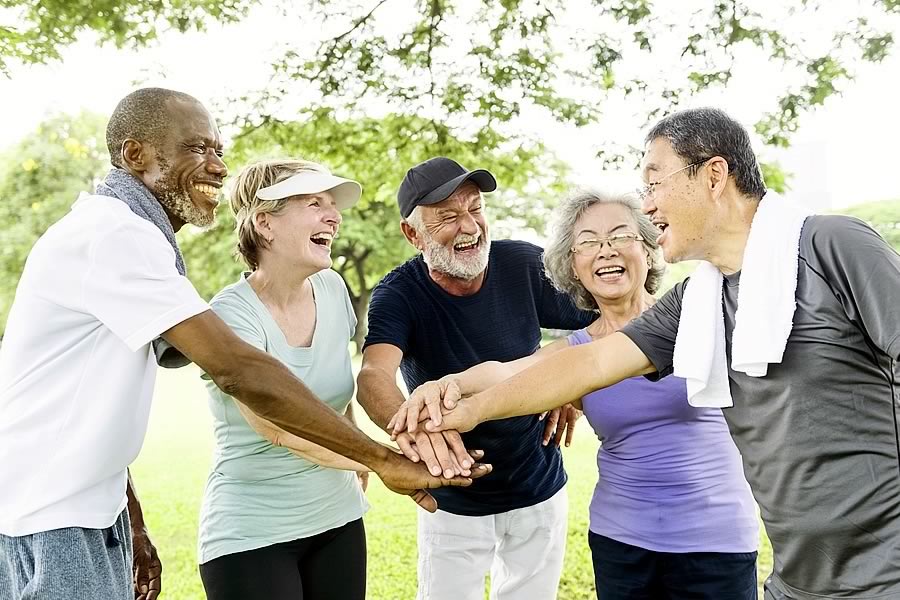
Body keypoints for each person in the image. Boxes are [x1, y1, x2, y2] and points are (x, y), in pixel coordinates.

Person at [0, 88, 485, 600]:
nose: (216, 166)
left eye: (218, 150)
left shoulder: (133, 239)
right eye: (195, 148)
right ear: (135, 155)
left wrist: (130, 518)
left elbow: (92, 406)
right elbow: (240, 371)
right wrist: (383, 460)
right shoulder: (115, 234)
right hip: (49, 516)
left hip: (89, 508)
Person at [401, 108, 900, 600]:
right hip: (800, 577)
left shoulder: (831, 245)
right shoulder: (699, 302)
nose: (649, 204)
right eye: (590, 242)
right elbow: (590, 362)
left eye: (654, 183)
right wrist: (462, 406)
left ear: (714, 174)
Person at [392, 189, 759, 599]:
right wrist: (446, 385)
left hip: (716, 541)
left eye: (620, 236)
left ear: (649, 246)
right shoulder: (576, 351)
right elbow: (506, 372)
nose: (605, 251)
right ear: (573, 266)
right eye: (588, 243)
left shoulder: (696, 316)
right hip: (621, 542)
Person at [357, 156, 593, 600]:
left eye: (475, 209)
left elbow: (609, 317)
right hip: (452, 499)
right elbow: (373, 375)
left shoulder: (524, 264)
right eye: (447, 216)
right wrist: (415, 431)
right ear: (413, 235)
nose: (468, 226)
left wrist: (566, 382)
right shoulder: (398, 294)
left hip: (538, 487)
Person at [197, 158, 379, 600]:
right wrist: (379, 459)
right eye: (314, 203)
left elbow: (334, 393)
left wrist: (352, 438)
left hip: (338, 517)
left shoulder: (332, 289)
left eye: (332, 204)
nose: (333, 216)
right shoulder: (231, 316)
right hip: (251, 532)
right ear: (265, 224)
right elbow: (278, 426)